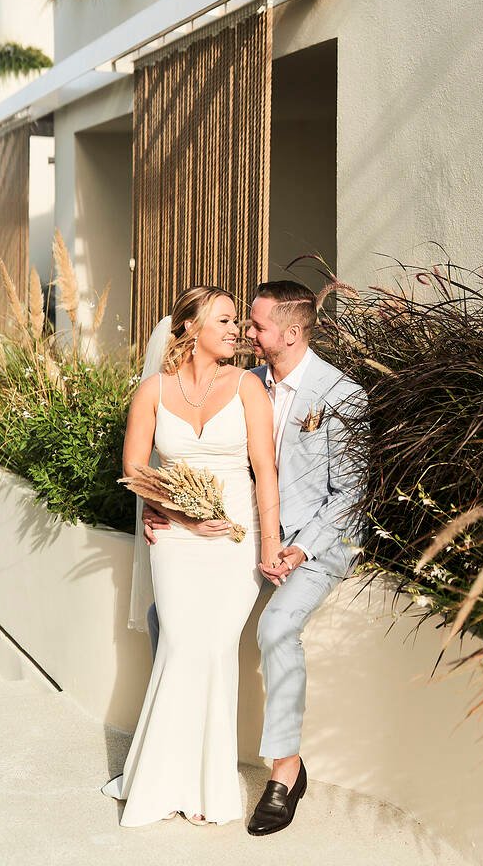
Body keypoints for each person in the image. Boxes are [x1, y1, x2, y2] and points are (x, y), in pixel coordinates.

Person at [143, 280, 367, 836]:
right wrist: (166, 507)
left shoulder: (343, 395)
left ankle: (285, 771)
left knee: (276, 627)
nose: (247, 332)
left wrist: (295, 549)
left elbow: (352, 496)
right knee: (159, 618)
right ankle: (174, 755)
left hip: (316, 544)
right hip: (251, 536)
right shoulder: (244, 382)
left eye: (258, 326)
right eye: (242, 324)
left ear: (291, 333)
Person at [101, 286, 282, 826]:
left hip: (236, 536)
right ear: (189, 328)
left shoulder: (249, 386)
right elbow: (136, 468)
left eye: (237, 322)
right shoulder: (152, 391)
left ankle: (207, 786)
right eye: (225, 320)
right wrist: (179, 515)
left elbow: (265, 471)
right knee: (180, 643)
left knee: (216, 646)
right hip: (175, 539)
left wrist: (269, 544)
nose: (237, 331)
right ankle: (162, 780)